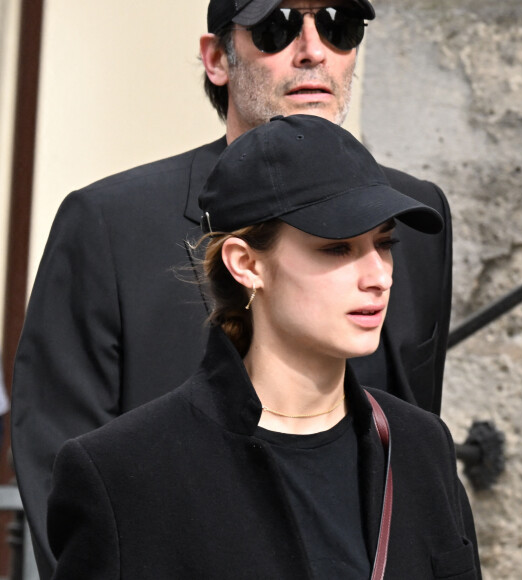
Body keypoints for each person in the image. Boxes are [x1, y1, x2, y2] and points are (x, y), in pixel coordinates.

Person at [11, 1, 452, 578]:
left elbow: (412, 452)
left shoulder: (416, 217)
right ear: (217, 58)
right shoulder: (109, 223)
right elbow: (62, 477)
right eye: (278, 27)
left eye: (340, 25)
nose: (313, 50)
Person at [48, 115, 479, 580]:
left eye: (385, 243)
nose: (379, 276)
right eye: (337, 249)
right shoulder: (125, 473)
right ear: (246, 263)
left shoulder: (420, 446)